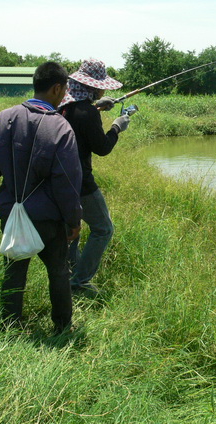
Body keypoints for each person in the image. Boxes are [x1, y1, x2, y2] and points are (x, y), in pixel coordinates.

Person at [0, 61, 83, 334]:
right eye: (65, 88)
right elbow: (67, 182)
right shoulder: (60, 128)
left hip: (13, 213)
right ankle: (62, 327)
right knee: (58, 270)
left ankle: (10, 325)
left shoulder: (4, 118)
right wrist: (74, 219)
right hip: (48, 218)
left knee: (14, 269)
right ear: (57, 88)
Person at [58, 58, 130, 295]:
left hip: (58, 180)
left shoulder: (63, 105)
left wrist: (98, 106)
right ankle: (79, 282)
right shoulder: (87, 112)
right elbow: (102, 148)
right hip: (81, 181)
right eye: (101, 86)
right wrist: (117, 127)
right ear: (93, 85)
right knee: (103, 229)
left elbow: (78, 118)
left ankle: (70, 272)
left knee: (72, 228)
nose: (104, 89)